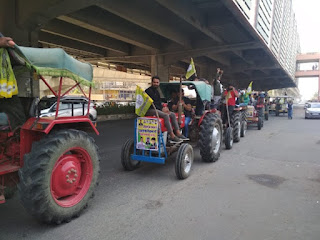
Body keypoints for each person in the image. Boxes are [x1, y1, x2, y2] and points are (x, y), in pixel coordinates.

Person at [145, 76, 188, 143]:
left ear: (159, 83)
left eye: (157, 82)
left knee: (172, 114)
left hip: (157, 108)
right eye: (154, 82)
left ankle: (178, 132)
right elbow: (152, 104)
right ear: (152, 82)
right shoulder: (148, 91)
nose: (156, 84)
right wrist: (161, 109)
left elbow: (158, 102)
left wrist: (163, 107)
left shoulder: (157, 92)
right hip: (150, 109)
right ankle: (172, 135)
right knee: (165, 115)